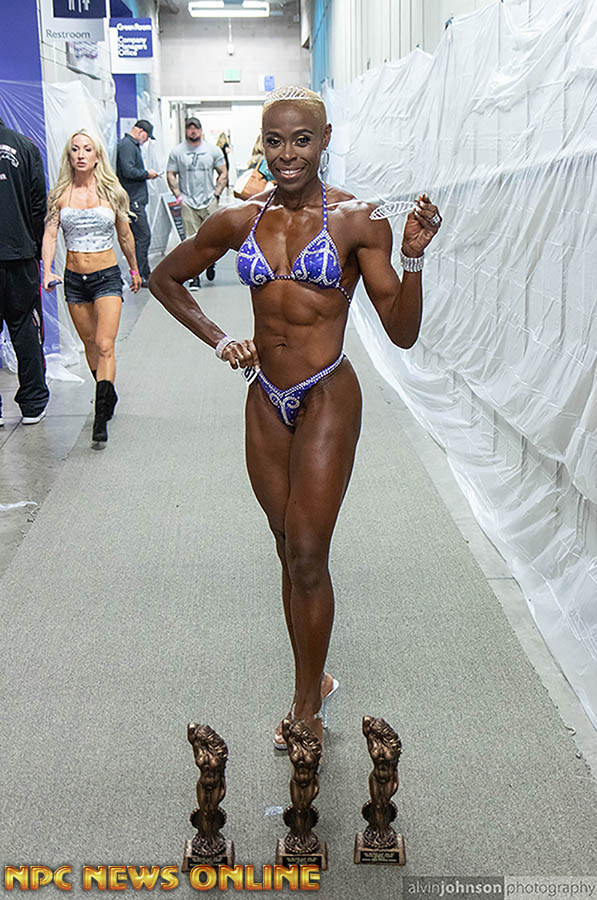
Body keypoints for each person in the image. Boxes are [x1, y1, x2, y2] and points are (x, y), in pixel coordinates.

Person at [150, 85, 442, 749]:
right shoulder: (239, 218)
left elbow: (401, 332)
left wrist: (414, 258)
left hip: (326, 393)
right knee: (286, 545)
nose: (288, 154)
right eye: (276, 141)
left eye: (302, 140)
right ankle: (318, 676)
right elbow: (165, 278)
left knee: (308, 551)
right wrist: (220, 339)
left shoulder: (357, 220)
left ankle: (305, 702)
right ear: (263, 142)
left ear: (325, 139)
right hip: (264, 397)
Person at [41, 129, 141, 446]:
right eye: (75, 149)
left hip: (106, 276)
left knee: (104, 343)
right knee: (89, 345)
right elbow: (50, 235)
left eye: (87, 149)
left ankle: (100, 415)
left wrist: (134, 268)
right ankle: (107, 393)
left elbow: (124, 234)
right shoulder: (60, 195)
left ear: (97, 155)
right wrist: (47, 270)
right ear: (69, 156)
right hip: (74, 279)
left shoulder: (112, 192)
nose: (81, 154)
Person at [0, 116, 49, 427]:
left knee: (25, 331)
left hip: (20, 252)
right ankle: (33, 404)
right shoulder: (25, 147)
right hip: (20, 254)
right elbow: (38, 205)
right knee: (25, 329)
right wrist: (36, 248)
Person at [166, 117, 227, 286]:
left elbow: (223, 172)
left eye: (196, 128)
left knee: (212, 238)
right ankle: (194, 276)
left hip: (209, 200)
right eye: (190, 128)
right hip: (188, 201)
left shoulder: (213, 150)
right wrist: (178, 195)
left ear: (201, 130)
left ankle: (210, 263)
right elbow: (170, 173)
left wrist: (217, 193)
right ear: (186, 130)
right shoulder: (177, 152)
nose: (193, 131)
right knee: (191, 241)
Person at [115, 119, 159, 287]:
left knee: (139, 237)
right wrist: (147, 174)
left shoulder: (130, 146)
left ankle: (143, 272)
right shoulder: (127, 146)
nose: (146, 141)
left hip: (134, 199)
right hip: (132, 200)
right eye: (146, 137)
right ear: (141, 132)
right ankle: (141, 273)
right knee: (143, 236)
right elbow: (128, 170)